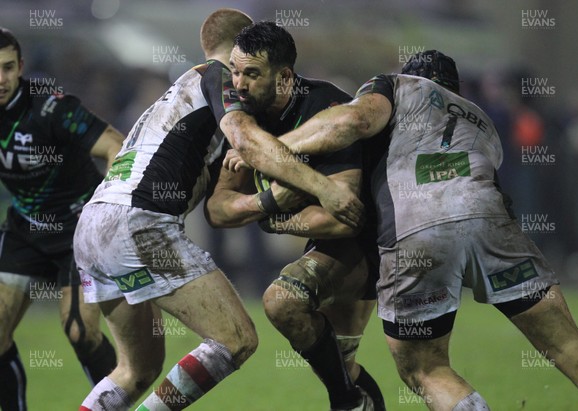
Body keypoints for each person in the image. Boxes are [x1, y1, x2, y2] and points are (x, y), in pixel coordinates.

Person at [247, 50, 578, 410]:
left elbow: (351, 122)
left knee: (426, 369)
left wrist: (270, 150)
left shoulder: (397, 85)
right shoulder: (481, 119)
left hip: (417, 230)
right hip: (491, 219)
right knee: (573, 350)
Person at [73, 9, 363, 411]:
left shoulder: (179, 88)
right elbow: (243, 137)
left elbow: (218, 208)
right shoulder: (218, 75)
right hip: (138, 223)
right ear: (242, 48)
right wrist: (323, 189)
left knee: (135, 371)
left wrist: (262, 200)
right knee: (236, 340)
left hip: (92, 226)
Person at [206, 21, 384, 411]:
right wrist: (267, 205)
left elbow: (343, 218)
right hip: (324, 241)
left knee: (282, 302)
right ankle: (349, 398)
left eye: (252, 74)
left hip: (368, 241)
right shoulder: (244, 119)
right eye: (235, 71)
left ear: (284, 77)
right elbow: (218, 209)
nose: (238, 84)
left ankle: (345, 400)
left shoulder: (325, 108)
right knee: (343, 363)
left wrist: (273, 222)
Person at [0, 27, 123, 411]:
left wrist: (112, 208)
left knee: (81, 332)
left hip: (77, 228)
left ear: (20, 67)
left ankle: (123, 399)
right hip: (24, 228)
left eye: (6, 68)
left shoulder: (52, 108)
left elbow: (115, 145)